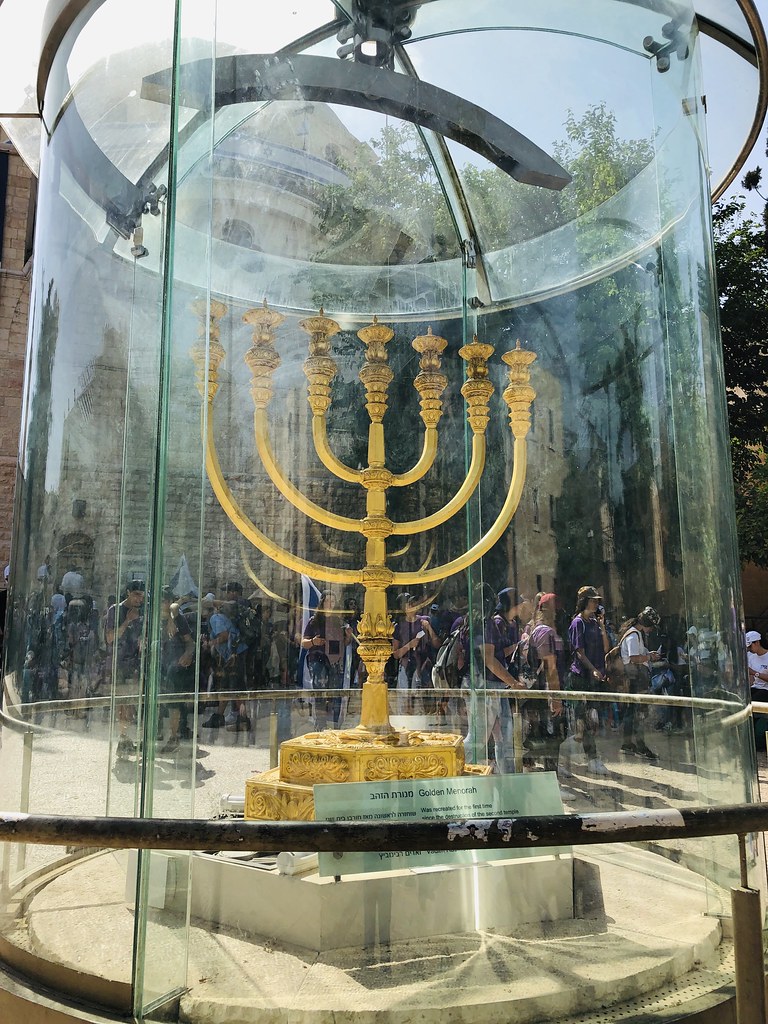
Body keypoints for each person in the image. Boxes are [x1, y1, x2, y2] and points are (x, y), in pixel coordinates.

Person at [463, 583, 525, 772]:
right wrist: (513, 683)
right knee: (477, 739)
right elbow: (489, 659)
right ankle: (453, 771)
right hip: (487, 686)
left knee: (502, 736)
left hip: (488, 684)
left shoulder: (471, 622)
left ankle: (508, 778)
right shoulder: (488, 623)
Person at [567, 585, 610, 776]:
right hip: (581, 677)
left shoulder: (594, 622)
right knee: (584, 721)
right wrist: (592, 669)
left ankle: (591, 757)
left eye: (596, 601)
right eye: (592, 600)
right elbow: (579, 652)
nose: (595, 604)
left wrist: (602, 626)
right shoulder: (578, 623)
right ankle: (590, 758)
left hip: (595, 677)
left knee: (593, 720)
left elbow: (606, 648)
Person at [523, 593, 565, 773]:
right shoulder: (545, 632)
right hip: (546, 693)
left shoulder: (543, 630)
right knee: (552, 735)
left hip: (545, 692)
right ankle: (550, 776)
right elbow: (550, 668)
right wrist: (555, 697)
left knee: (550, 734)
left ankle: (546, 770)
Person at [105, 581, 145, 759]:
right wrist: (128, 621)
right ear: (128, 593)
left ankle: (130, 738)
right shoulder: (115, 610)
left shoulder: (143, 611)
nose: (139, 599)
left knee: (133, 702)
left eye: (141, 596)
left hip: (137, 663)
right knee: (122, 702)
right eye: (136, 594)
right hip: (120, 663)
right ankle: (123, 738)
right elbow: (110, 638)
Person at [301, 592, 351, 731]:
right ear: (322, 602)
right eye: (328, 601)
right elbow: (304, 642)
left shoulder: (338, 622)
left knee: (335, 694)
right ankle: (321, 726)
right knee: (320, 693)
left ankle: (335, 727)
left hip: (335, 661)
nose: (330, 604)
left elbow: (344, 643)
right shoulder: (314, 621)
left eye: (333, 601)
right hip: (318, 659)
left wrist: (348, 636)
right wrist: (313, 641)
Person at [617, 606, 662, 759]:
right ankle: (640, 746)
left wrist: (648, 654)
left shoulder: (634, 633)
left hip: (634, 678)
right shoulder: (633, 635)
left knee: (631, 712)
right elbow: (634, 658)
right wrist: (649, 657)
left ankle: (628, 744)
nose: (651, 630)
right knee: (639, 713)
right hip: (636, 678)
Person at [158, 585, 196, 756]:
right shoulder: (152, 620)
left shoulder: (178, 619)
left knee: (174, 703)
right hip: (159, 666)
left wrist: (187, 655)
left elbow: (190, 642)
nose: (162, 604)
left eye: (165, 601)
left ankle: (174, 737)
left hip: (174, 669)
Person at [392, 593, 440, 715]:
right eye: (409, 604)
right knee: (405, 702)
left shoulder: (425, 621)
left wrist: (429, 628)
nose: (413, 606)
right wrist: (409, 645)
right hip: (406, 667)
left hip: (424, 667)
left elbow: (437, 644)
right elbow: (395, 654)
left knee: (423, 703)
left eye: (414, 603)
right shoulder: (398, 627)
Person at [747, 630, 768, 702]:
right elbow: (751, 679)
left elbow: (752, 673)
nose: (749, 649)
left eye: (750, 646)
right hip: (755, 687)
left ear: (757, 643)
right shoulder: (751, 657)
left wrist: (754, 673)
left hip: (765, 689)